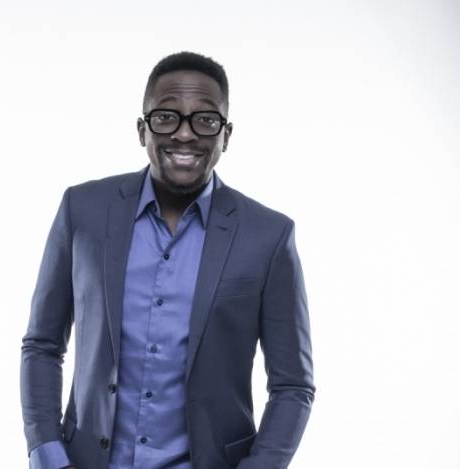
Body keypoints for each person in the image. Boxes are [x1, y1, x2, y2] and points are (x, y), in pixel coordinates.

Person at [20, 51, 315, 469]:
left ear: (226, 135)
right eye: (166, 117)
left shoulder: (269, 236)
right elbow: (43, 344)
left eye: (205, 119)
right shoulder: (82, 210)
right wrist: (48, 454)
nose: (185, 134)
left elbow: (293, 385)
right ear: (142, 129)